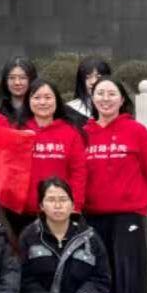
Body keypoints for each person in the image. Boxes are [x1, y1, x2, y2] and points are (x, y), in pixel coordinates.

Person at [82, 77, 147, 293]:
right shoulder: (84, 133)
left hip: (129, 216)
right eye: (100, 93)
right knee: (103, 280)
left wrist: (138, 204)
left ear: (122, 99)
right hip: (93, 216)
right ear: (92, 98)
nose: (105, 99)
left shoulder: (136, 132)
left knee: (131, 281)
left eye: (111, 94)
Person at [26, 79, 88, 210]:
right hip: (24, 211)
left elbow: (79, 172)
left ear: (57, 101)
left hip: (61, 210)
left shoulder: (71, 132)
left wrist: (75, 205)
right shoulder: (18, 130)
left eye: (48, 97)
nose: (42, 102)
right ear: (28, 101)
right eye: (36, 98)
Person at [0, 58, 37, 127]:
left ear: (32, 79)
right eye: (12, 78)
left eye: (22, 77)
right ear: (5, 81)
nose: (17, 82)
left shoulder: (40, 108)